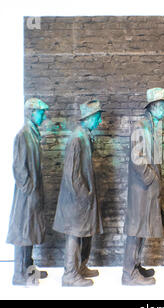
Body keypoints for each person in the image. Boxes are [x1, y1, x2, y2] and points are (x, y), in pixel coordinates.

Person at [122, 88, 164, 286]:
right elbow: (138, 160)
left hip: (146, 190)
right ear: (155, 106)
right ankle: (128, 273)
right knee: (135, 230)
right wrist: (152, 178)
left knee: (141, 229)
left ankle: (135, 265)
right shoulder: (140, 127)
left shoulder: (151, 126)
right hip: (141, 190)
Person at [53, 99, 104, 287]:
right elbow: (71, 174)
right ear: (89, 118)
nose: (100, 121)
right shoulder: (76, 138)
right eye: (97, 117)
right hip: (76, 199)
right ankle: (70, 274)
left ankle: (81, 267)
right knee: (74, 234)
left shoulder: (85, 135)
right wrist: (83, 195)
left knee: (84, 233)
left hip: (84, 197)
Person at [7, 98, 49, 285]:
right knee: (23, 232)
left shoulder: (33, 134)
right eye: (41, 112)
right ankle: (19, 274)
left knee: (30, 231)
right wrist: (29, 188)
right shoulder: (23, 135)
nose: (43, 115)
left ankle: (28, 268)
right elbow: (18, 167)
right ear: (31, 112)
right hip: (26, 196)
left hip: (32, 194)